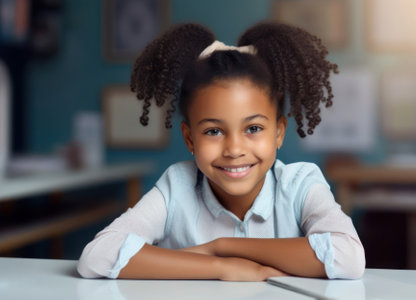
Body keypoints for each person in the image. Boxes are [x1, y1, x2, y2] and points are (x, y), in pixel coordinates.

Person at [77, 22, 365, 281]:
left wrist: (223, 247)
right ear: (190, 140)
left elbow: (348, 257)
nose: (235, 149)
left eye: (253, 128)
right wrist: (222, 267)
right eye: (213, 131)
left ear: (279, 132)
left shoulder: (301, 183)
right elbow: (98, 256)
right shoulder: (177, 186)